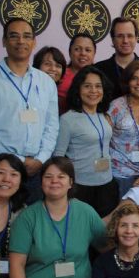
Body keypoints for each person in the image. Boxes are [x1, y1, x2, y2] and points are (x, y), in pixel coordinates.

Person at [0, 18, 58, 203]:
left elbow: (51, 126)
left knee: (32, 218)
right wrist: (16, 161)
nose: (21, 41)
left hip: (36, 168)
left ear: (34, 42)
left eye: (27, 36)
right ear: (4, 41)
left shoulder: (46, 82)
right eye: (14, 36)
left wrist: (41, 159)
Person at [54, 65, 119, 217]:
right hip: (81, 186)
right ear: (78, 89)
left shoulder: (103, 115)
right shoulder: (67, 119)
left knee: (104, 229)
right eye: (87, 86)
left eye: (98, 86)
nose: (93, 91)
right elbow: (58, 156)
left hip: (107, 182)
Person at [0, 46, 66, 123]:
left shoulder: (62, 96)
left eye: (58, 66)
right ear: (37, 66)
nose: (53, 69)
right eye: (47, 64)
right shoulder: (23, 87)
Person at [108, 60, 139, 197]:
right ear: (127, 82)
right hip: (120, 173)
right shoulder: (116, 106)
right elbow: (104, 138)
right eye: (134, 78)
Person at [95, 17, 139, 101]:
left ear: (136, 38)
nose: (125, 41)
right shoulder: (98, 69)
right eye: (120, 36)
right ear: (113, 39)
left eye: (130, 36)